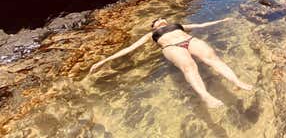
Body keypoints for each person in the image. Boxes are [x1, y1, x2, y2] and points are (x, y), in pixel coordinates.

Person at [89, 17, 252, 108]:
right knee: (189, 67)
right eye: (156, 21)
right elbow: (130, 48)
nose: (160, 20)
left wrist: (222, 20)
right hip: (171, 47)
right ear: (153, 27)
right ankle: (205, 96)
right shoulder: (151, 35)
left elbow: (200, 24)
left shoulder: (178, 25)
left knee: (212, 58)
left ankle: (237, 81)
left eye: (162, 18)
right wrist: (104, 61)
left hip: (189, 39)